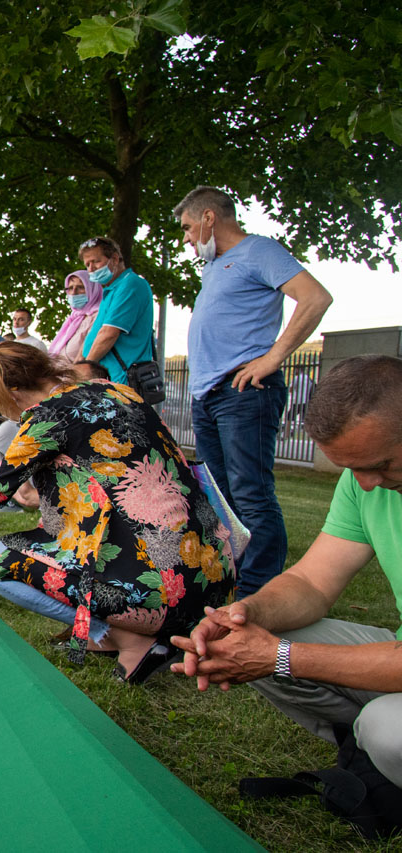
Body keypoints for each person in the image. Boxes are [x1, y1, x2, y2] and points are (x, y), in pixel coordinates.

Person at [0, 341, 236, 683]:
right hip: (214, 575)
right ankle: (122, 630)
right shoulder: (114, 389)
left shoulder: (44, 419)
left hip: (165, 590)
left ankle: (131, 639)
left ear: (13, 392)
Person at [171, 355, 402, 786]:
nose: (367, 483)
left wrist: (279, 656)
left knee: (389, 732)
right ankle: (368, 758)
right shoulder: (362, 483)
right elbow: (311, 581)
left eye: (381, 465)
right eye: (353, 469)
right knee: (246, 638)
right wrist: (243, 616)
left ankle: (378, 748)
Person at [175, 185, 334, 595]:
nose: (188, 239)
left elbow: (315, 298)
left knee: (251, 497)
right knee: (221, 500)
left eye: (189, 228)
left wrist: (273, 357)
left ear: (209, 217)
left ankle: (259, 595)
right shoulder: (215, 266)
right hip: (208, 395)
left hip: (243, 392)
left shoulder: (259, 250)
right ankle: (231, 584)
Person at [77, 236, 154, 384]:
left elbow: (108, 334)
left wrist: (85, 370)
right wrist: (77, 365)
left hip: (121, 380)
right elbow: (96, 333)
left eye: (96, 261)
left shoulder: (130, 284)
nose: (91, 269)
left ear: (114, 259)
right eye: (87, 265)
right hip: (108, 378)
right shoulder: (111, 290)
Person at [48, 270, 102, 364]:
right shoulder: (73, 319)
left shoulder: (98, 316)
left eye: (80, 287)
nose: (73, 292)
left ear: (92, 289)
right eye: (70, 288)